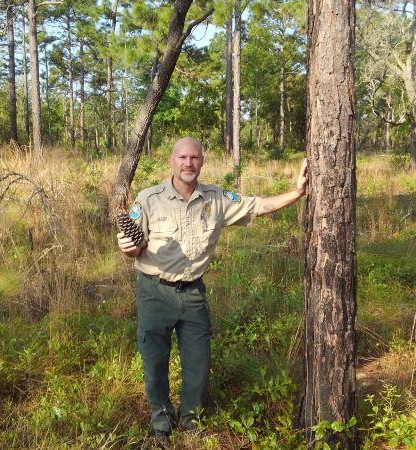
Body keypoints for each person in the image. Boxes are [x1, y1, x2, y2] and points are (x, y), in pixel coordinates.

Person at [117, 136, 307, 442]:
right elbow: (134, 246)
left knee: (198, 361)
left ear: (202, 162)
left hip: (193, 293)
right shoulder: (149, 199)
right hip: (155, 291)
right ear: (172, 161)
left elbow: (258, 205)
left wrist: (297, 193)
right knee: (154, 361)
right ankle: (162, 423)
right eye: (182, 158)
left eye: (194, 158)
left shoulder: (216, 199)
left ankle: (191, 422)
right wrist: (127, 247)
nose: (188, 163)